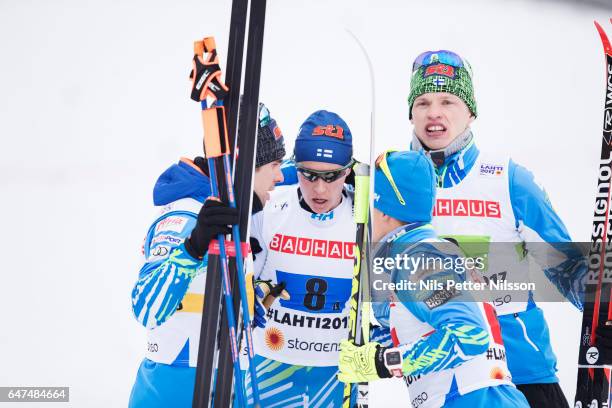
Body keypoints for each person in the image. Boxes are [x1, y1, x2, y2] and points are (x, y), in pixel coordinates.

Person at [405, 50, 587, 407]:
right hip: (442, 381)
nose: (434, 113)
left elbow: (566, 262)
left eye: (448, 101)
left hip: (522, 371)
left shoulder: (507, 178)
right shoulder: (394, 184)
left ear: (470, 111)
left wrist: (602, 303)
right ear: (410, 111)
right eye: (423, 101)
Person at [337, 150, 530, 408]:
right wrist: (367, 346)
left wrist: (383, 361)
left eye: (369, 206)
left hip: (473, 400)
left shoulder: (421, 259)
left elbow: (469, 336)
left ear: (384, 210)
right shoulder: (418, 255)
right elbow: (420, 330)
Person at [128, 103, 286, 408]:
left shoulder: (234, 219)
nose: (280, 177)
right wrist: (194, 246)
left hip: (227, 385)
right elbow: (146, 306)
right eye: (275, 165)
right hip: (173, 390)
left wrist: (252, 299)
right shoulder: (186, 216)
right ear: (244, 166)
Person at [244, 110, 358, 407]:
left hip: (336, 374)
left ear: (348, 170)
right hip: (270, 365)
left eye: (331, 176)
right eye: (308, 174)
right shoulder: (268, 209)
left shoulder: (366, 216)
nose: (319, 188)